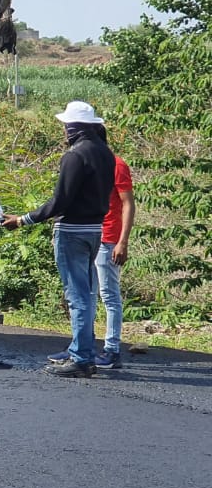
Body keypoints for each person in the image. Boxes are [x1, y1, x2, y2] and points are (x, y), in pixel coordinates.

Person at [2, 100, 115, 378]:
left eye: (67, 126)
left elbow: (60, 201)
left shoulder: (76, 155)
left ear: (75, 128)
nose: (64, 131)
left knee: (77, 296)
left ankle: (81, 357)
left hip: (72, 232)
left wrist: (23, 219)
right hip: (95, 230)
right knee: (86, 294)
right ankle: (82, 349)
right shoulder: (105, 153)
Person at [94, 138, 135, 369]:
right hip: (90, 235)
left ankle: (112, 349)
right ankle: (84, 345)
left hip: (109, 238)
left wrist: (122, 242)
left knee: (109, 295)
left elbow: (128, 203)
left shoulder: (117, 165)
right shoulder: (90, 164)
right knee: (86, 294)